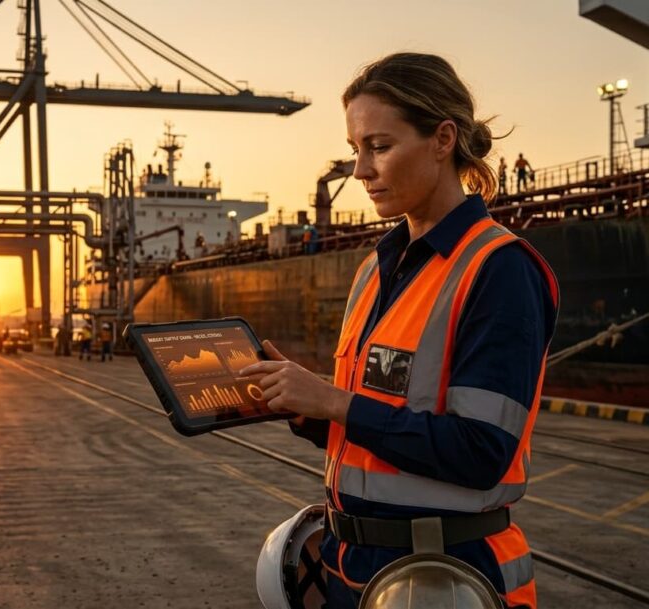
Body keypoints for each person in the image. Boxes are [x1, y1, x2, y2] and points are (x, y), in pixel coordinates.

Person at [239, 53, 558, 609]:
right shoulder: (375, 269)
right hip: (356, 573)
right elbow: (384, 423)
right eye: (354, 150)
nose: (360, 170)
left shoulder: (498, 269)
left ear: (442, 139)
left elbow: (484, 452)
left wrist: (338, 403)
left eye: (379, 147)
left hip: (447, 580)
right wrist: (309, 410)